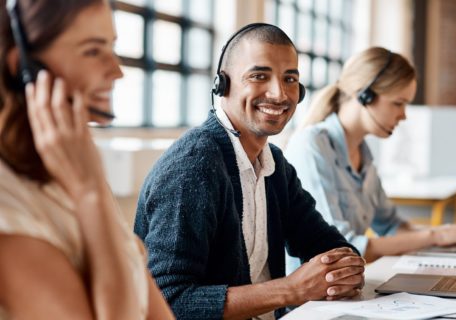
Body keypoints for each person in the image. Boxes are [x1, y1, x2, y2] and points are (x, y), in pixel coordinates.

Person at [134, 23, 365, 320]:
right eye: (259, 76)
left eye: (290, 78)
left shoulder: (275, 166)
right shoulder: (194, 166)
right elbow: (165, 300)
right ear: (223, 85)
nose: (279, 93)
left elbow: (327, 244)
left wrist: (346, 269)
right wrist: (290, 290)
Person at [0, 0, 174, 319]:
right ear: (23, 67)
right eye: (93, 51)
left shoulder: (76, 168)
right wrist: (90, 193)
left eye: (112, 47)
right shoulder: (10, 209)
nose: (117, 71)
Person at [285, 47, 456, 271]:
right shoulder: (312, 146)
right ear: (364, 95)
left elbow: (390, 226)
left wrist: (453, 241)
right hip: (310, 302)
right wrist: (435, 236)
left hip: (345, 290)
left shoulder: (364, 154)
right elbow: (340, 247)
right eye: (398, 103)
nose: (403, 115)